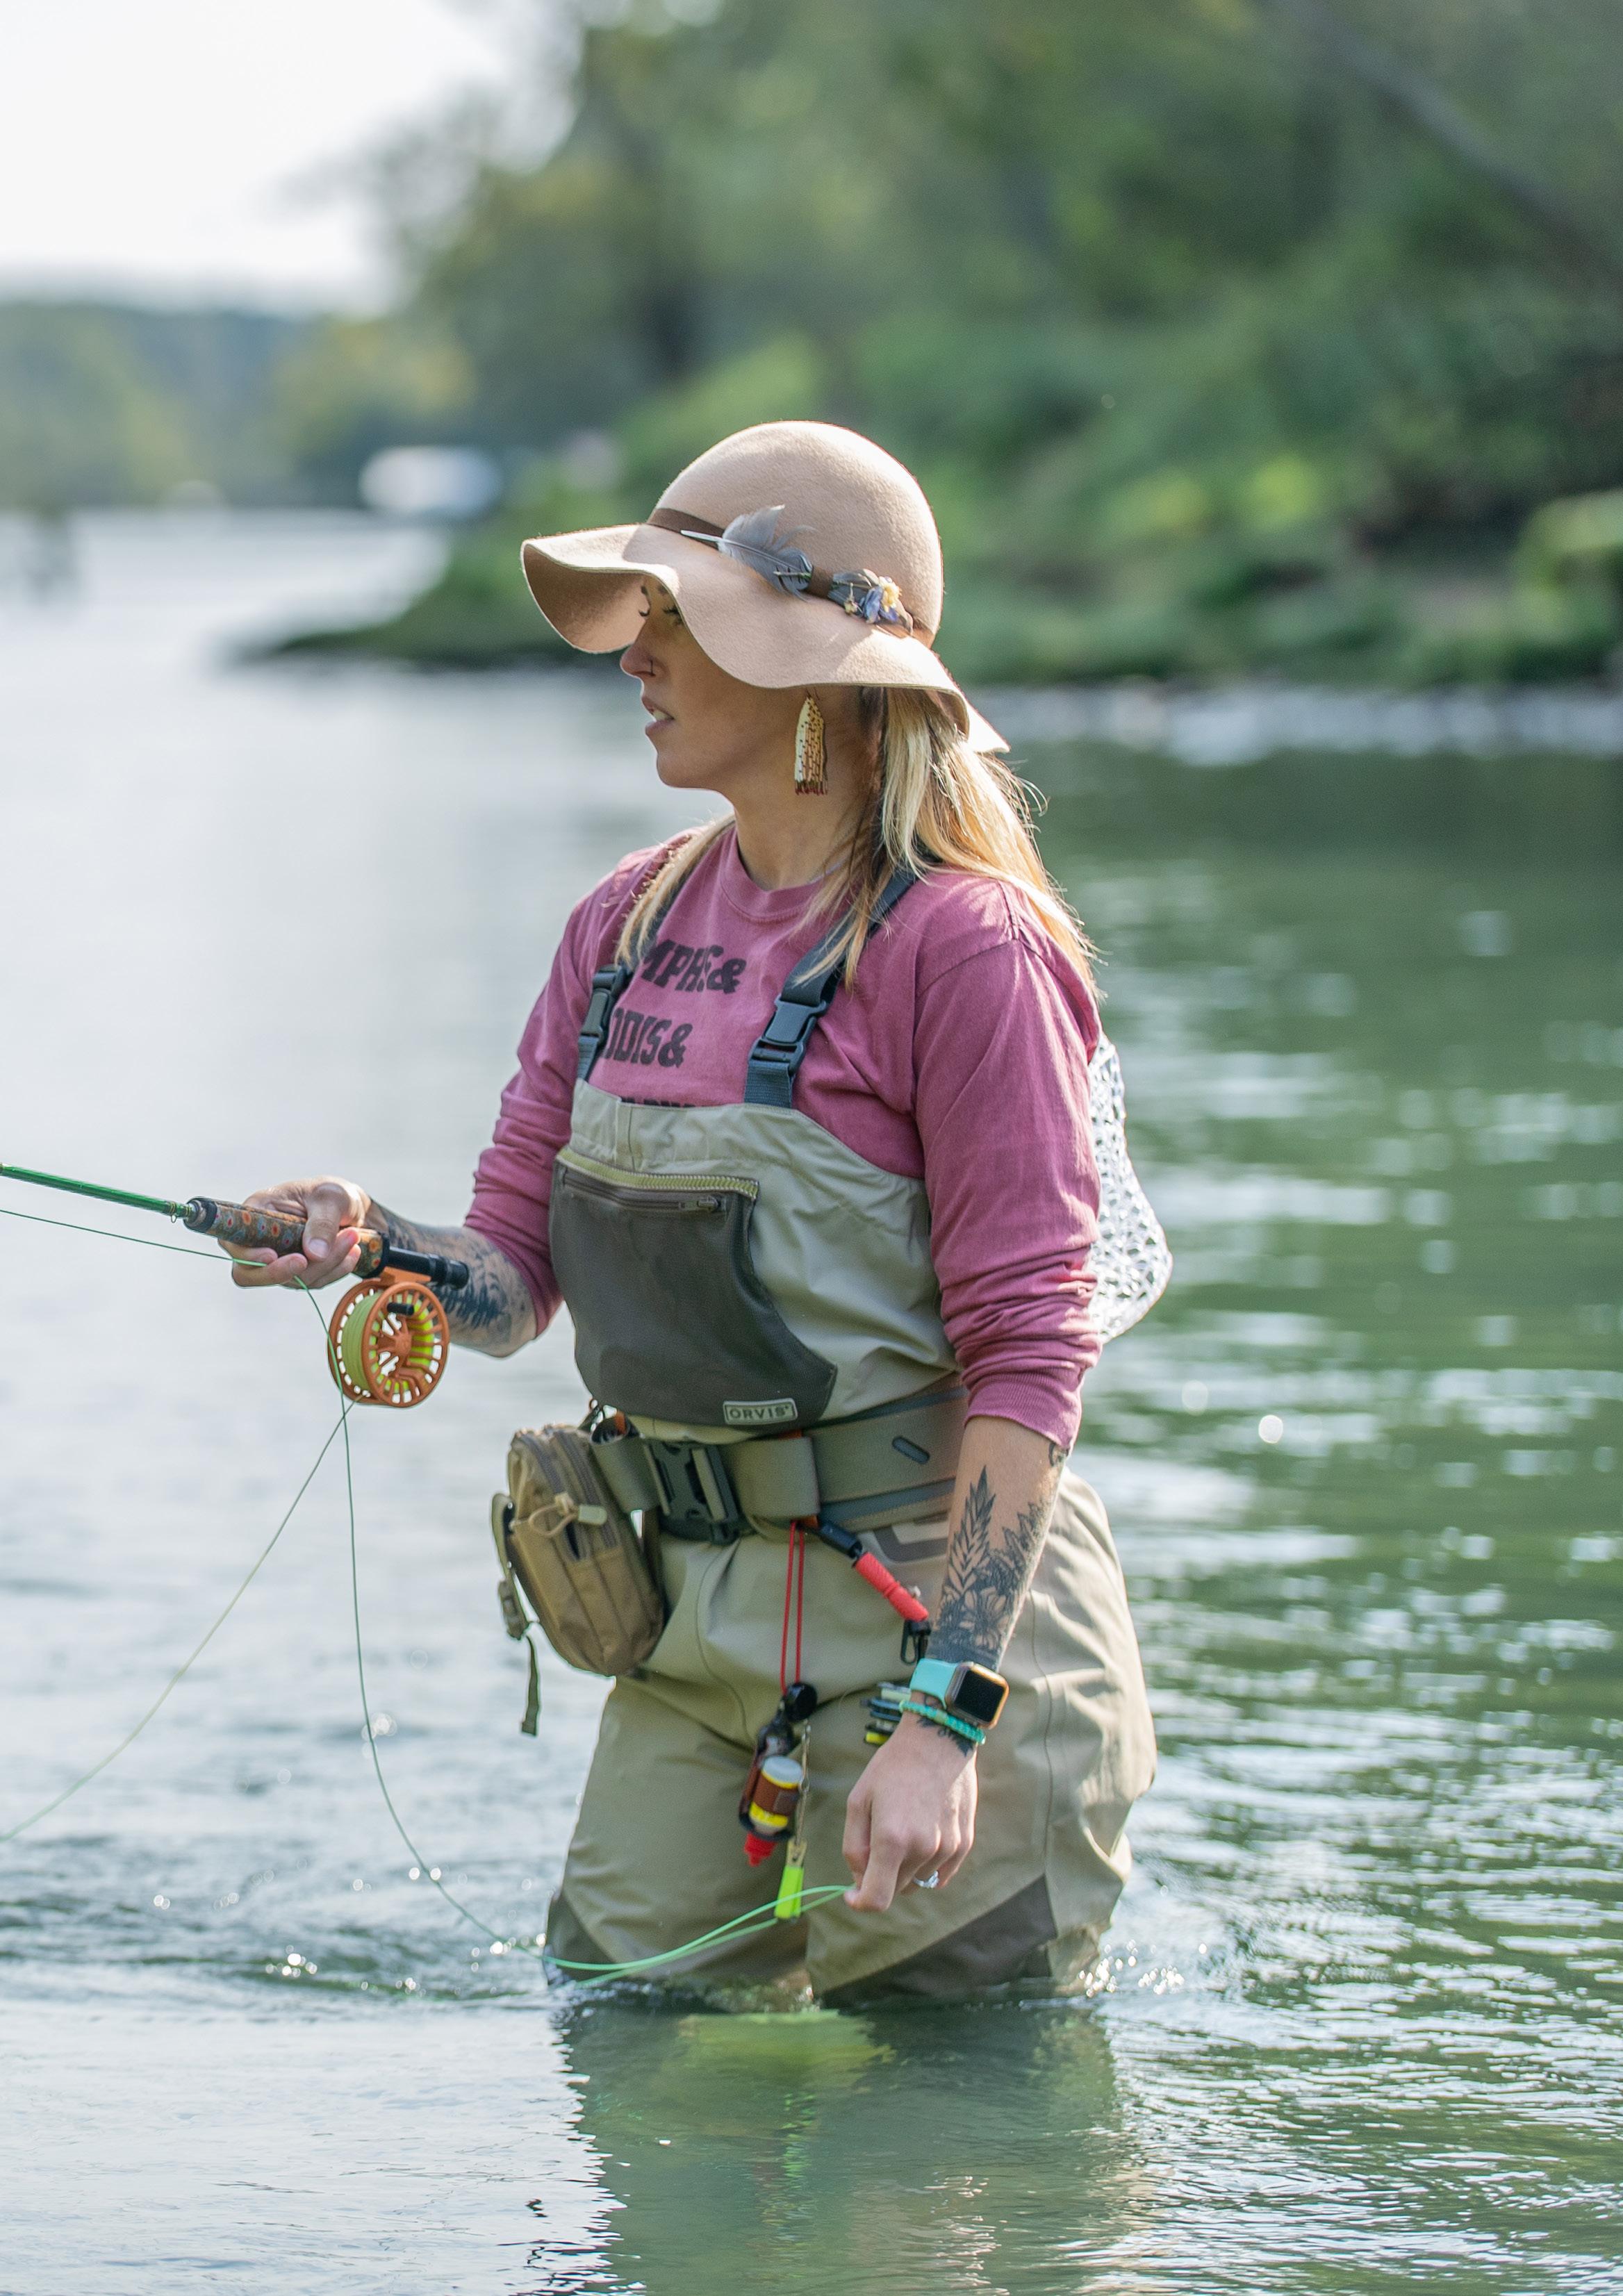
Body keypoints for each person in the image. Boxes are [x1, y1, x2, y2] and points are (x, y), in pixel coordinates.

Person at [231, 421, 1158, 2005]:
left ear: (810, 671)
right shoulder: (621, 922)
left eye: (674, 615)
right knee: (616, 2037)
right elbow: (514, 1280)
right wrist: (375, 1241)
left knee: (948, 2121)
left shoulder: (970, 951)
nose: (634, 655)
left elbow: (1028, 1361)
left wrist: (945, 1717)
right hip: (691, 1627)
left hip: (947, 1633)